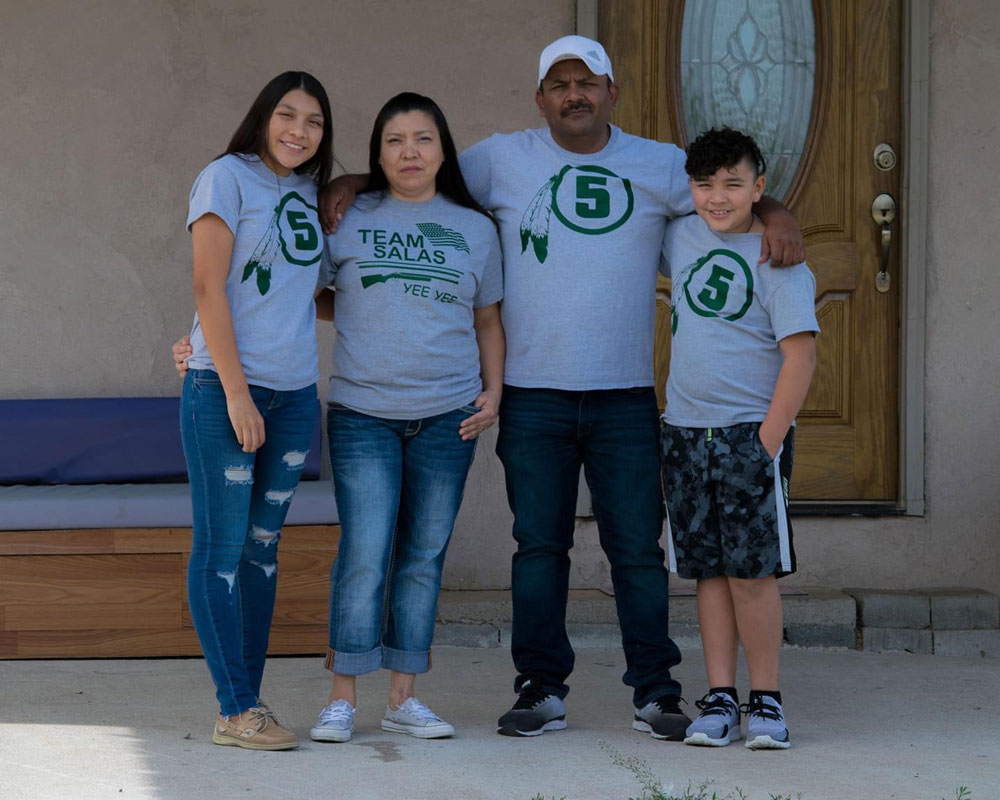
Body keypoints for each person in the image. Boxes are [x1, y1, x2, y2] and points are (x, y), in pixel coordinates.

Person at [320, 35, 805, 741]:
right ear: (540, 98)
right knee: (538, 547)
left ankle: (656, 692)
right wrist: (353, 183)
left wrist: (780, 213)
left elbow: (727, 185)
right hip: (533, 395)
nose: (573, 93)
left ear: (613, 91)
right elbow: (420, 173)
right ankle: (541, 689)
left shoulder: (659, 165)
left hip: (626, 396)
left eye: (587, 81)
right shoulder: (500, 159)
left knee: (636, 550)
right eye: (558, 83)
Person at [175, 92, 505, 741]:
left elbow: (485, 316)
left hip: (432, 412)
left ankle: (401, 697)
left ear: (444, 149)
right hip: (355, 410)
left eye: (424, 139)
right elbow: (251, 286)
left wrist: (494, 390)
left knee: (415, 555)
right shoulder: (311, 204)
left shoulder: (465, 225)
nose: (409, 151)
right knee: (359, 551)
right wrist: (205, 349)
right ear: (377, 152)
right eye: (394, 140)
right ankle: (306, 700)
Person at [180, 71, 333, 750]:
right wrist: (237, 391)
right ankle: (237, 709)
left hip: (296, 395)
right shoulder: (226, 177)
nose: (298, 131)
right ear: (262, 117)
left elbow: (309, 294)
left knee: (261, 551)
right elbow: (207, 286)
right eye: (287, 115)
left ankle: (250, 702)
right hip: (226, 392)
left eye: (314, 122)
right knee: (220, 550)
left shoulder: (310, 192)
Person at [659, 127, 818, 750]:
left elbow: (800, 358)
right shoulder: (679, 235)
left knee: (753, 575)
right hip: (684, 434)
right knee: (707, 573)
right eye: (705, 184)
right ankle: (720, 696)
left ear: (759, 186)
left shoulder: (779, 260)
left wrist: (767, 442)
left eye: (733, 184)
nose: (718, 197)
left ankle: (767, 702)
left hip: (748, 436)